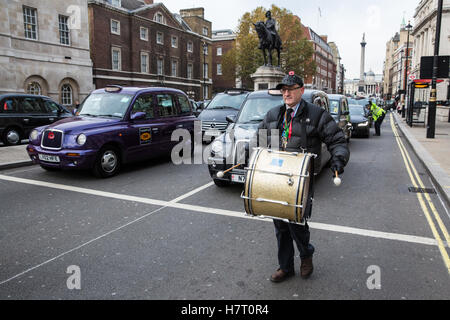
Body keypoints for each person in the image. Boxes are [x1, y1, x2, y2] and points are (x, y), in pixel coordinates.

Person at [254, 72, 350, 282]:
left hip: (301, 179)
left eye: (290, 89)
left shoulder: (317, 115)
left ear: (301, 90)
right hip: (276, 177)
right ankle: (285, 267)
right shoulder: (274, 114)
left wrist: (339, 159)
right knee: (280, 224)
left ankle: (306, 254)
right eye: (283, 90)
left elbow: (337, 140)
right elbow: (259, 142)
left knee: (297, 223)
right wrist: (250, 157)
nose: (286, 93)